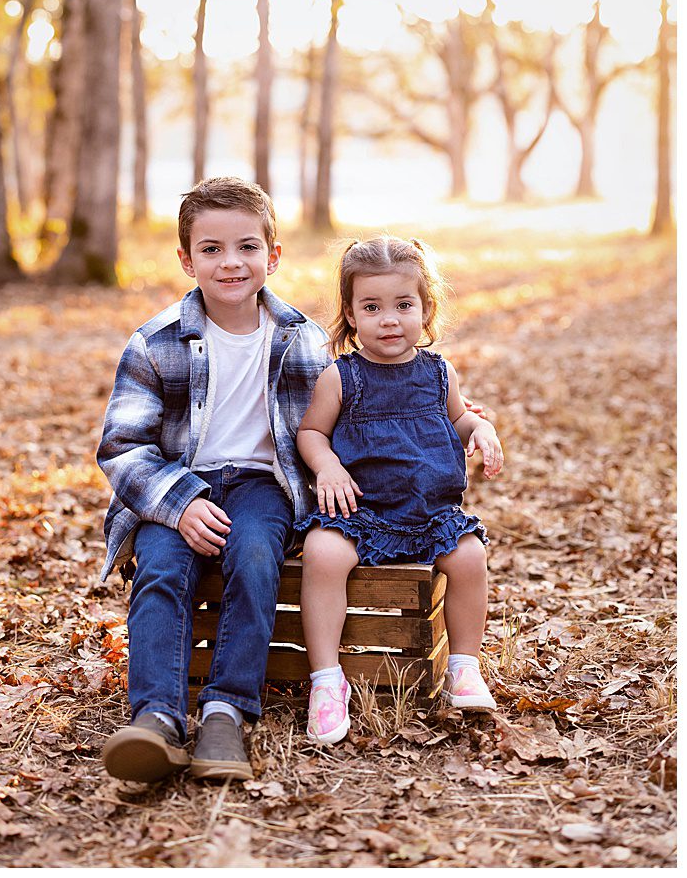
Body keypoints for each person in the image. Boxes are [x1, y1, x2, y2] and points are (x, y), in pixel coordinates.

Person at [95, 178, 329, 788]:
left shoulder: (302, 340)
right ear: (186, 259)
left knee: (254, 557)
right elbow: (122, 447)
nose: (231, 263)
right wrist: (180, 504)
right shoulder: (154, 342)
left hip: (262, 486)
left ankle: (226, 711)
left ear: (273, 255)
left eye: (247, 247)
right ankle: (157, 718)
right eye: (211, 249)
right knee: (161, 568)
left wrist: (456, 416)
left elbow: (343, 418)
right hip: (175, 487)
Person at [295, 237, 503, 746]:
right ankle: (326, 679)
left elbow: (458, 419)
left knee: (470, 556)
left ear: (426, 309)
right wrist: (327, 466)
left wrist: (481, 430)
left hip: (429, 513)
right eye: (372, 307)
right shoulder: (341, 378)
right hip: (360, 512)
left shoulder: (439, 374)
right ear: (351, 314)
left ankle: (463, 666)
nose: (389, 320)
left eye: (403, 305)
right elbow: (311, 432)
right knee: (322, 553)